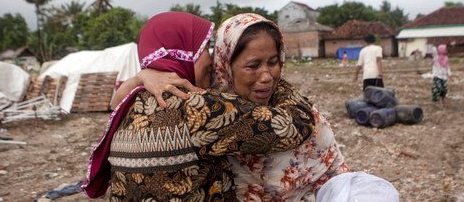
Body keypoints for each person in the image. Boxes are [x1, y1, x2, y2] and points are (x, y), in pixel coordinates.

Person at [137, 13, 399, 201]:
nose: (266, 76)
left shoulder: (299, 110)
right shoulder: (207, 108)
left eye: (273, 62)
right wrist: (144, 76)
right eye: (252, 66)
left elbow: (335, 177)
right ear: (225, 66)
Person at [81, 12, 315, 201]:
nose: (212, 60)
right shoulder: (195, 107)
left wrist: (141, 75)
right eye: (202, 49)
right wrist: (273, 75)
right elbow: (296, 126)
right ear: (181, 54)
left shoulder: (129, 104)